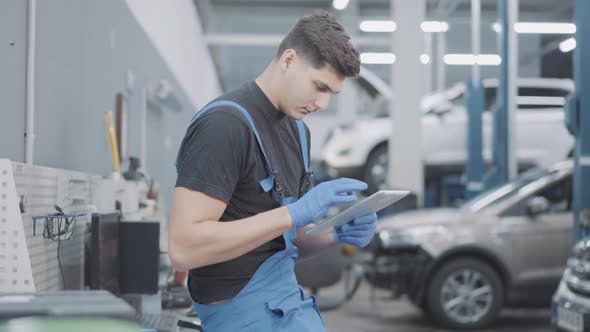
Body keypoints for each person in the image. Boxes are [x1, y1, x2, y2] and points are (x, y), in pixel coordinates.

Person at [169, 10, 377, 332]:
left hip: (287, 300)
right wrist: (295, 214)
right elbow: (183, 249)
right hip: (240, 314)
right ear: (289, 60)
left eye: (331, 94)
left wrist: (334, 233)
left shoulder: (299, 133)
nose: (322, 104)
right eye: (319, 86)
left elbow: (282, 235)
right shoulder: (225, 126)